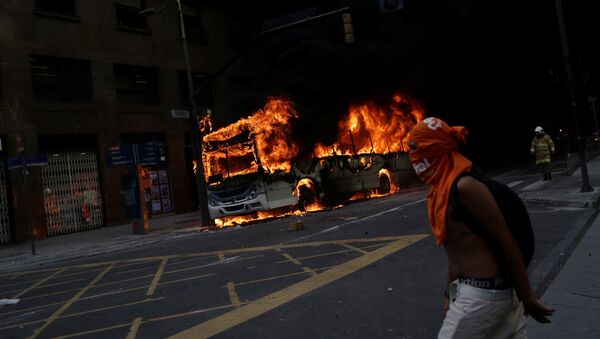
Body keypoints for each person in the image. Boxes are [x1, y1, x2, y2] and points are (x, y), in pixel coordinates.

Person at [407, 117, 554, 339]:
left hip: (482, 298)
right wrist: (449, 293)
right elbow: (457, 255)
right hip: (486, 295)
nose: (414, 160)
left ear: (435, 149)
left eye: (416, 151)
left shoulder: (465, 186)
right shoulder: (441, 191)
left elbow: (506, 239)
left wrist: (528, 296)